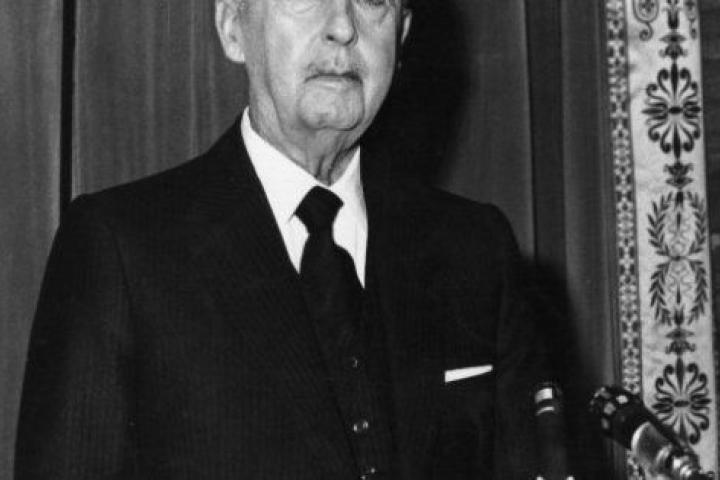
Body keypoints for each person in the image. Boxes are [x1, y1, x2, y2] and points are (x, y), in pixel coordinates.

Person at [15, 0, 550, 478]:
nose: (342, 26)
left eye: (373, 2)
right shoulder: (122, 249)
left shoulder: (476, 249)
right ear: (233, 27)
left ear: (402, 35)